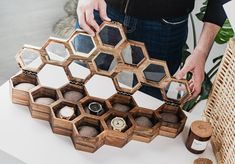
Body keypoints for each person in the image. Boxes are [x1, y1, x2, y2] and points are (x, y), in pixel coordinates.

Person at [76, 0, 229, 99]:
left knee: (147, 106)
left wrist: (201, 51)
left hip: (164, 27)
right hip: (102, 7)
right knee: (78, 84)